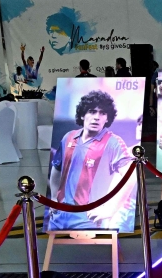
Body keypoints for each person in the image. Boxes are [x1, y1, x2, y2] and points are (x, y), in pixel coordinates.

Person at [46, 90, 137, 231]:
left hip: (87, 219)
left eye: (102, 113)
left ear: (107, 118)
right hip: (59, 214)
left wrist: (110, 210)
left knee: (87, 252)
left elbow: (130, 176)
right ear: (83, 114)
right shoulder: (68, 137)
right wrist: (52, 199)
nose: (97, 117)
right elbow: (57, 168)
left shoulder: (113, 142)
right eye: (92, 112)